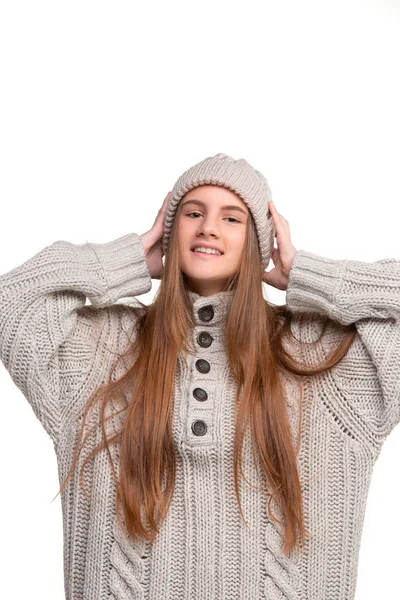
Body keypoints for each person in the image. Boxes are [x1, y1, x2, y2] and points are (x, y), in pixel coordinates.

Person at [0, 151, 399, 600]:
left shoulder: (322, 359)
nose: (208, 226)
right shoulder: (102, 350)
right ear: (171, 232)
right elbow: (11, 305)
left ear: (260, 243)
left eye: (232, 219)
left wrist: (311, 275)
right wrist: (127, 259)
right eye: (193, 213)